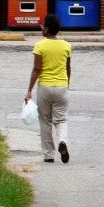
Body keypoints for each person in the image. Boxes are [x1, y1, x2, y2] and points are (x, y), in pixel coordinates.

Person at [24, 14, 71, 163]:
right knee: (61, 119)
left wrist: (29, 91)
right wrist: (67, 85)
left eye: (43, 26)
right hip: (62, 87)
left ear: (47, 29)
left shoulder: (40, 45)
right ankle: (62, 141)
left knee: (45, 121)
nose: (41, 28)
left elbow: (36, 69)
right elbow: (68, 68)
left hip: (45, 87)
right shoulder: (66, 45)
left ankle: (49, 155)